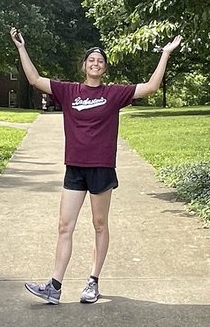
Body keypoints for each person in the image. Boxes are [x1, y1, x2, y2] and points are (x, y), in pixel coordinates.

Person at [10, 27, 182, 305]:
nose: (95, 64)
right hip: (75, 168)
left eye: (100, 61)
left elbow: (151, 87)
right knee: (65, 225)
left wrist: (164, 54)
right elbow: (34, 79)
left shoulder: (114, 94)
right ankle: (54, 286)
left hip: (101, 168)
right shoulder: (68, 91)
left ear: (104, 69)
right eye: (91, 60)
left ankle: (93, 281)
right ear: (84, 66)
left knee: (99, 224)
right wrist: (21, 47)